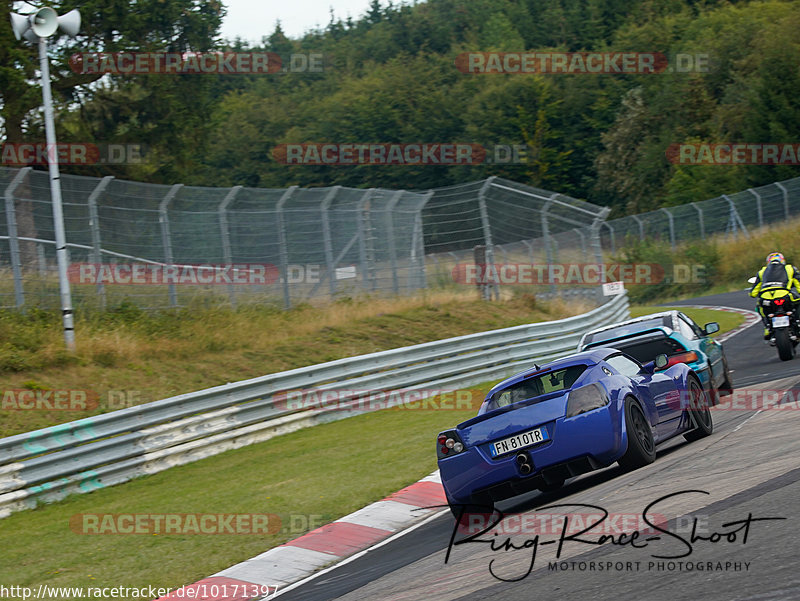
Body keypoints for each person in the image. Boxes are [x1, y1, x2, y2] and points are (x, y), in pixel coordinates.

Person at [749, 252, 800, 340]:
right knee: (798, 301)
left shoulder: (762, 272)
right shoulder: (790, 268)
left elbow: (753, 293)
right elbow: (798, 284)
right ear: (782, 260)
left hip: (766, 299)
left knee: (759, 306)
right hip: (785, 296)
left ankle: (767, 328)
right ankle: (798, 321)